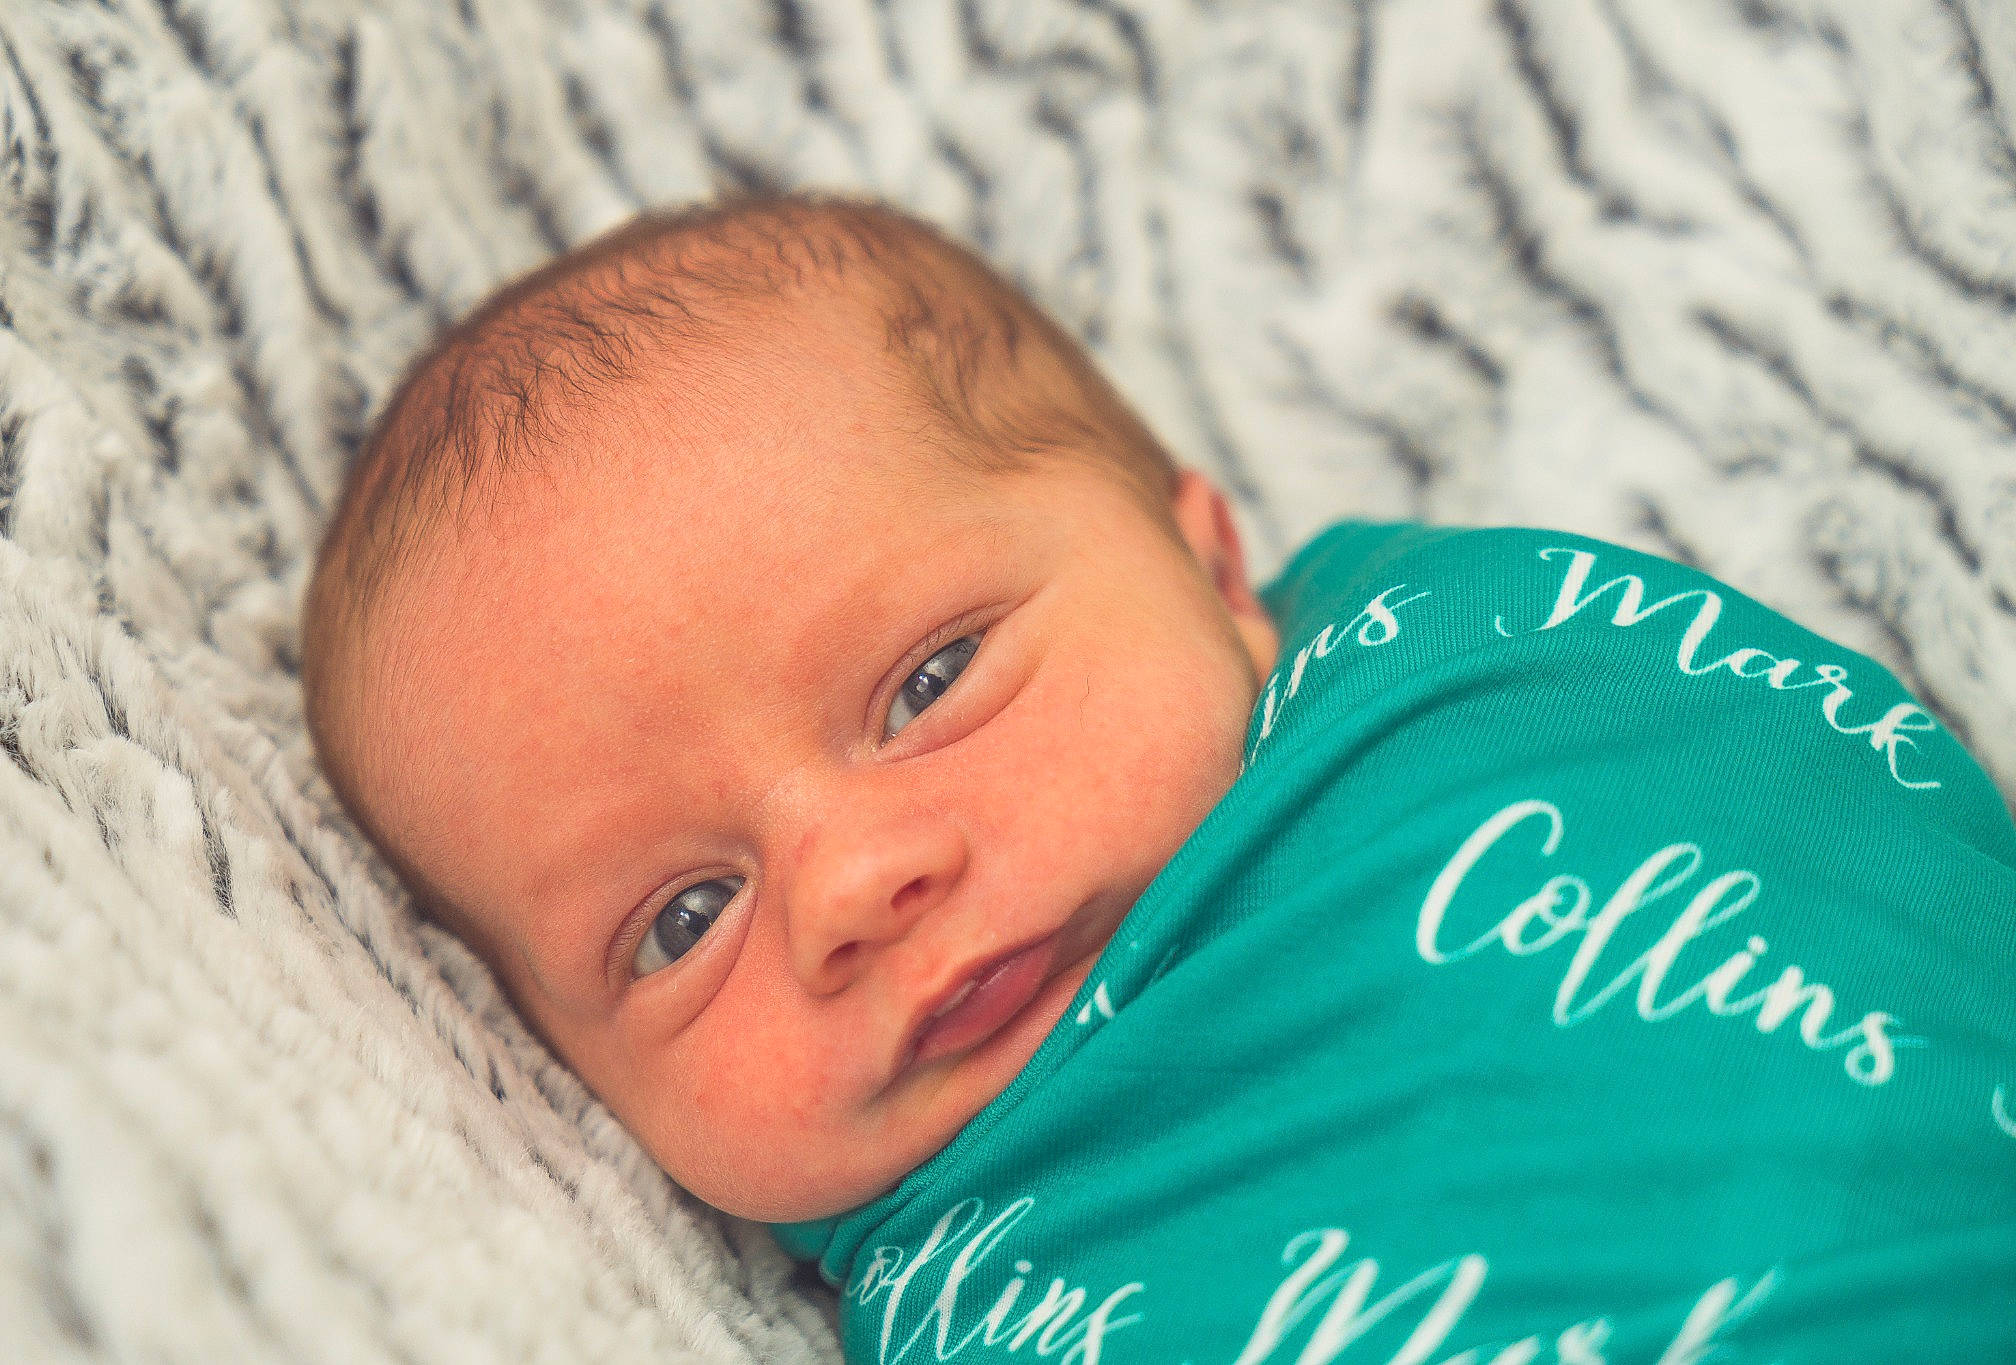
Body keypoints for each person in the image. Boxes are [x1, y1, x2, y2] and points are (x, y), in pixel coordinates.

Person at [301, 193, 2016, 1363]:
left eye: (929, 679)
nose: (845, 885)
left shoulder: (1487, 673)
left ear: (1207, 563)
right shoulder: (944, 1256)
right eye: (683, 917)